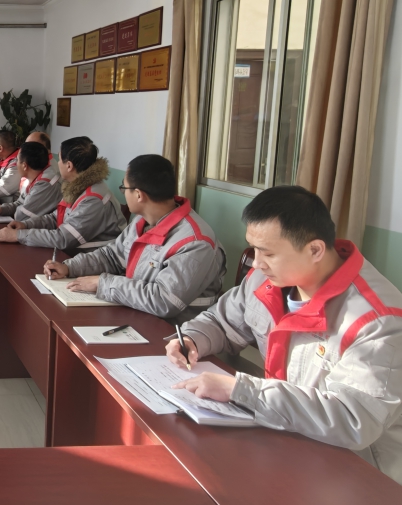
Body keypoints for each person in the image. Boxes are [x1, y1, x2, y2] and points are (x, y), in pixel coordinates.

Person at [168, 186, 402, 485]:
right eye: (253, 249)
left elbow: (354, 419)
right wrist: (192, 339)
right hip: (286, 440)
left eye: (268, 253)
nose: (256, 262)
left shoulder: (377, 320)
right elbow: (222, 321)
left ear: (315, 250)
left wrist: (242, 390)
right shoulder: (265, 280)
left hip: (358, 474)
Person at [43, 154, 225, 319]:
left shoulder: (195, 242)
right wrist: (69, 267)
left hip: (173, 331)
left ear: (138, 195)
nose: (123, 193)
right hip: (137, 312)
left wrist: (103, 283)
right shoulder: (142, 221)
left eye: (124, 188)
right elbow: (112, 256)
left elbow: (164, 300)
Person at [0, 136, 125, 248]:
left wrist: (18, 235)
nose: (57, 163)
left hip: (90, 261)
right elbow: (55, 218)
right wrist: (25, 225)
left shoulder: (94, 199)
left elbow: (63, 238)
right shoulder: (75, 187)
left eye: (59, 159)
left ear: (69, 166)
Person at [0, 140, 60, 225]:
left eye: (17, 160)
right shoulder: (33, 178)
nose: (16, 163)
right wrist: (0, 209)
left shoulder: (44, 184)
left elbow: (21, 216)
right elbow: (20, 203)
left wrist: (11, 210)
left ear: (24, 166)